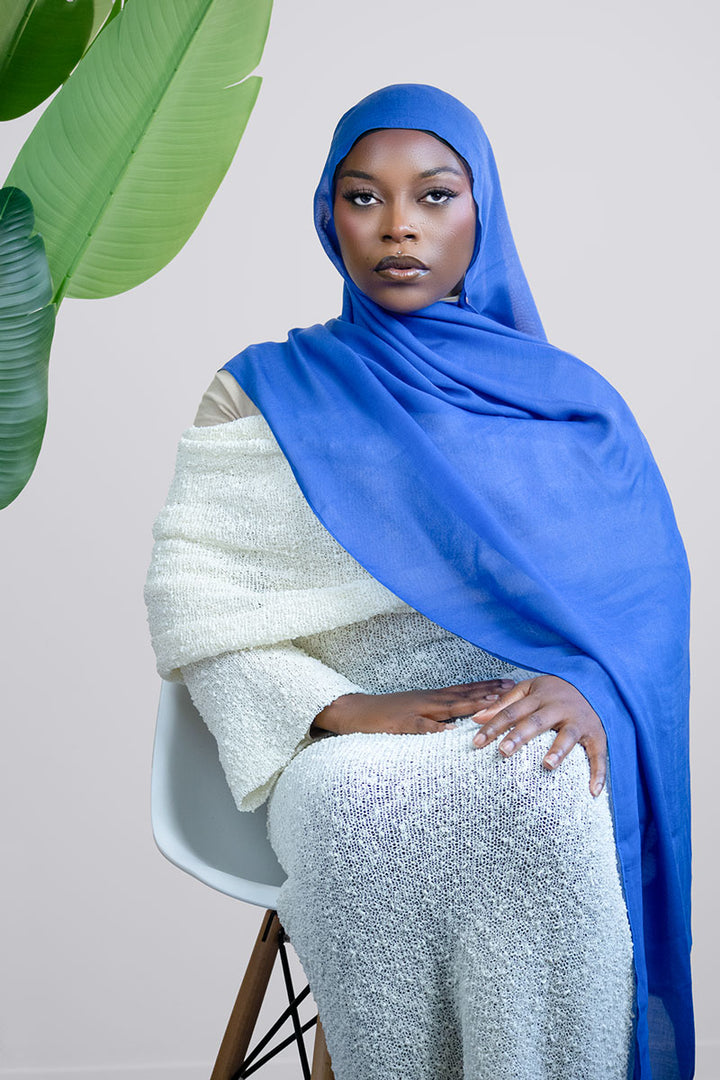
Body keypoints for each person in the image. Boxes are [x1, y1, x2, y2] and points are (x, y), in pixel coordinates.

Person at [145, 84, 693, 1079]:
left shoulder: (569, 406)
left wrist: (591, 689)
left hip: (521, 714)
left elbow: (646, 608)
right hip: (342, 738)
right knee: (358, 804)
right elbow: (198, 605)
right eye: (364, 197)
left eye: (434, 195)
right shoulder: (262, 388)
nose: (398, 225)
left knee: (550, 788)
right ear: (328, 217)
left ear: (482, 213)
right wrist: (341, 708)